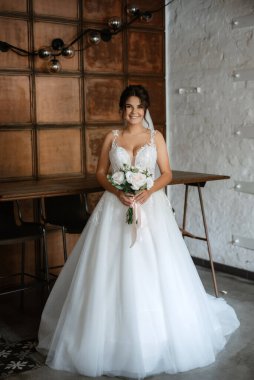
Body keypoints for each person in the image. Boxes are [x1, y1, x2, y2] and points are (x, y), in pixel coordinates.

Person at [37, 85, 239, 378]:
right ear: (121, 109)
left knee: (153, 267)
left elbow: (166, 173)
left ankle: (154, 335)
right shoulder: (112, 137)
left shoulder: (155, 137)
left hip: (149, 207)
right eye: (129, 106)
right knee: (109, 269)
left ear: (146, 109)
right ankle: (106, 335)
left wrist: (147, 192)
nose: (134, 112)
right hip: (115, 207)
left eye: (139, 107)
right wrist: (118, 191)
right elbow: (100, 173)